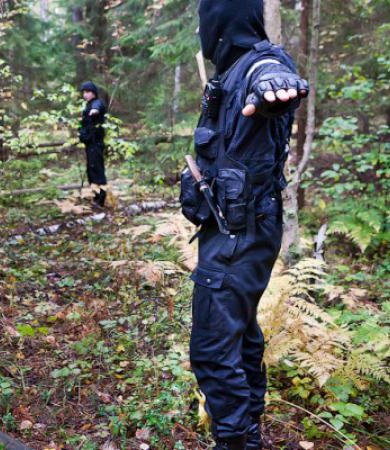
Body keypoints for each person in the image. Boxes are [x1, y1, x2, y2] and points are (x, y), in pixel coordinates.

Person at [179, 1, 309, 449]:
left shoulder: (260, 63)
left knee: (214, 349)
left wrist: (277, 83)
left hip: (241, 235)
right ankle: (247, 430)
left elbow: (273, 78)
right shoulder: (232, 71)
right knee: (239, 335)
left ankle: (237, 442)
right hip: (236, 232)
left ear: (221, 22)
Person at [78, 81, 108, 207]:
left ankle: (101, 197)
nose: (85, 94)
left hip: (96, 143)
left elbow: (98, 107)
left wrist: (95, 110)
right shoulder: (87, 105)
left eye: (88, 92)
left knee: (97, 169)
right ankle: (96, 196)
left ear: (93, 93)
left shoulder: (97, 102)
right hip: (90, 143)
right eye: (84, 92)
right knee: (91, 169)